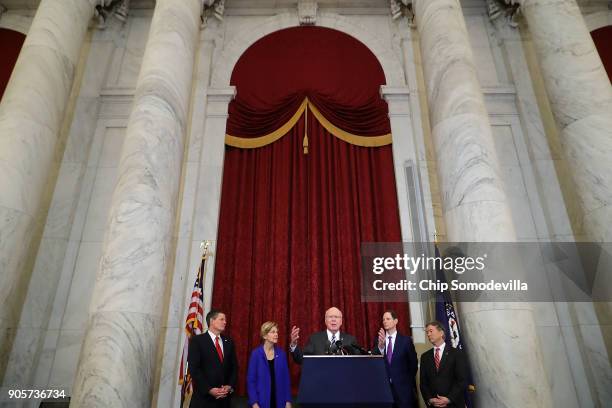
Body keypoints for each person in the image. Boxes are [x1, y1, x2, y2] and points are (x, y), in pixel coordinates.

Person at [188, 310, 238, 408]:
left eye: (225, 320)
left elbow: (234, 367)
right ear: (212, 321)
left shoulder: (229, 342)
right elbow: (194, 369)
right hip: (203, 400)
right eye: (222, 319)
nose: (225, 322)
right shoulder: (197, 341)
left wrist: (229, 386)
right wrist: (209, 389)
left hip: (224, 400)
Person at [372, 310, 418, 408]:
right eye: (383, 319)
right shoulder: (378, 341)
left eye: (388, 319)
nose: (385, 321)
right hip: (384, 391)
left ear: (395, 321)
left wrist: (406, 383)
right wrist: (381, 347)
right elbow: (374, 363)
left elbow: (413, 364)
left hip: (403, 392)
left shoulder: (406, 341)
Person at [419, 321, 467, 408]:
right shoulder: (425, 357)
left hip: (453, 404)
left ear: (441, 333)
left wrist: (449, 399)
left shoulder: (456, 353)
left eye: (431, 331)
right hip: (434, 405)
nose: (428, 334)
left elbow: (462, 380)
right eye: (427, 332)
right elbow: (423, 383)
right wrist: (430, 399)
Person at [247, 321, 292, 408]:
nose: (276, 334)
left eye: (277, 332)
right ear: (264, 336)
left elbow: (286, 380)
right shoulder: (256, 354)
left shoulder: (281, 354)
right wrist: (254, 403)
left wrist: (288, 401)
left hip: (279, 401)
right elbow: (251, 381)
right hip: (261, 402)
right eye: (273, 332)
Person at [289, 307, 358, 364]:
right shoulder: (315, 339)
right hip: (321, 379)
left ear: (341, 321)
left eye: (336, 317)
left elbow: (358, 362)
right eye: (330, 317)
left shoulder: (350, 340)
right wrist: (294, 345)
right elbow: (301, 360)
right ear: (325, 321)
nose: (333, 319)